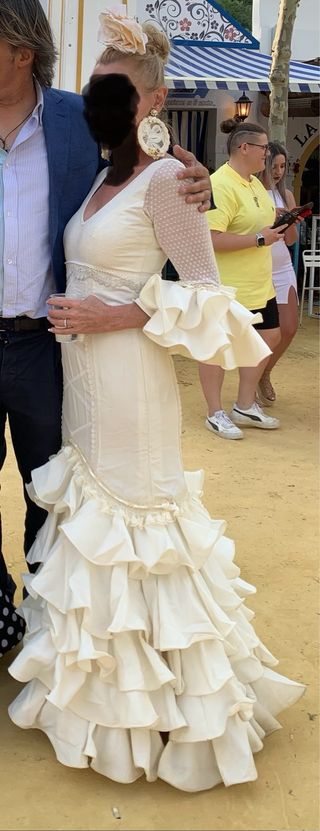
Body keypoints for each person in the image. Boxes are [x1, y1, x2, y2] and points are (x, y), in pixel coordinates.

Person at [8, 12, 305, 792]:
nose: (107, 98)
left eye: (121, 87)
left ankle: (170, 709)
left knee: (142, 530)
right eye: (99, 85)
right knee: (94, 533)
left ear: (154, 95)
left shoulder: (172, 179)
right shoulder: (106, 173)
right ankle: (95, 695)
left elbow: (207, 298)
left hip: (130, 378)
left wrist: (116, 314)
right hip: (81, 384)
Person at [0, 0, 211, 651]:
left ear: (21, 52)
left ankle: (49, 625)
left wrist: (192, 175)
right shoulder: (102, 142)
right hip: (79, 353)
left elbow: (160, 208)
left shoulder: (70, 119)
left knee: (54, 493)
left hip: (46, 346)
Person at [199, 119, 288, 440]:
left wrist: (277, 220)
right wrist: (260, 239)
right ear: (244, 148)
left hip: (259, 283)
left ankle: (245, 404)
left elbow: (255, 220)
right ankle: (214, 412)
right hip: (227, 286)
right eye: (264, 148)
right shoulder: (219, 184)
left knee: (270, 337)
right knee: (217, 348)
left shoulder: (252, 183)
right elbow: (211, 238)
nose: (268, 153)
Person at [257, 141, 299, 405]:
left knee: (289, 328)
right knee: (261, 331)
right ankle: (253, 377)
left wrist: (290, 220)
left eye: (283, 166)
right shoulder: (253, 192)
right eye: (274, 166)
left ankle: (265, 372)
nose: (279, 172)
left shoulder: (287, 195)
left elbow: (292, 240)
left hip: (283, 267)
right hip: (258, 268)